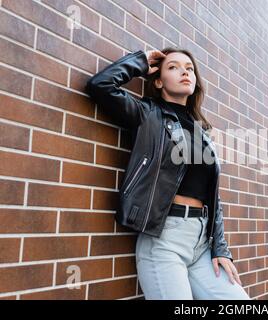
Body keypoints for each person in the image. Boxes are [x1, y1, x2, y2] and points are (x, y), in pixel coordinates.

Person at [85, 47, 250, 300]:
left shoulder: (202, 133)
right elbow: (100, 85)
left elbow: (213, 198)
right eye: (173, 67)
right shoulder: (148, 114)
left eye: (189, 68)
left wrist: (220, 248)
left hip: (201, 242)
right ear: (159, 81)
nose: (184, 71)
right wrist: (140, 61)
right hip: (164, 240)